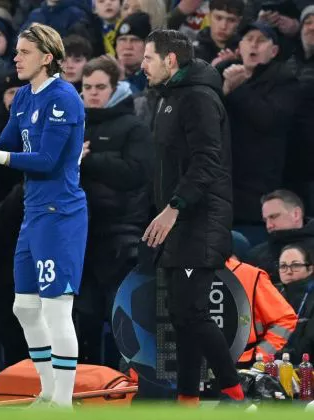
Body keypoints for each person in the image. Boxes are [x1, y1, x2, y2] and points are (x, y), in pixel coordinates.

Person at [0, 23, 87, 408]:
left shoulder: (64, 98)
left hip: (60, 213)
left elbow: (46, 160)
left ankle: (62, 402)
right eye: (16, 52)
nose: (15, 58)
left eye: (24, 52)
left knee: (57, 306)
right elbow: (4, 145)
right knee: (25, 306)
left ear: (47, 57)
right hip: (34, 213)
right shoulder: (26, 97)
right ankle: (47, 392)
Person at [140, 29, 250, 407]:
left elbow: (207, 161)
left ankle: (235, 394)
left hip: (198, 219)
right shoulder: (170, 97)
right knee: (180, 314)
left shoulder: (199, 98)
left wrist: (174, 208)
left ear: (170, 60)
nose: (141, 66)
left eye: (148, 58)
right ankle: (188, 398)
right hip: (180, 219)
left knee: (192, 312)